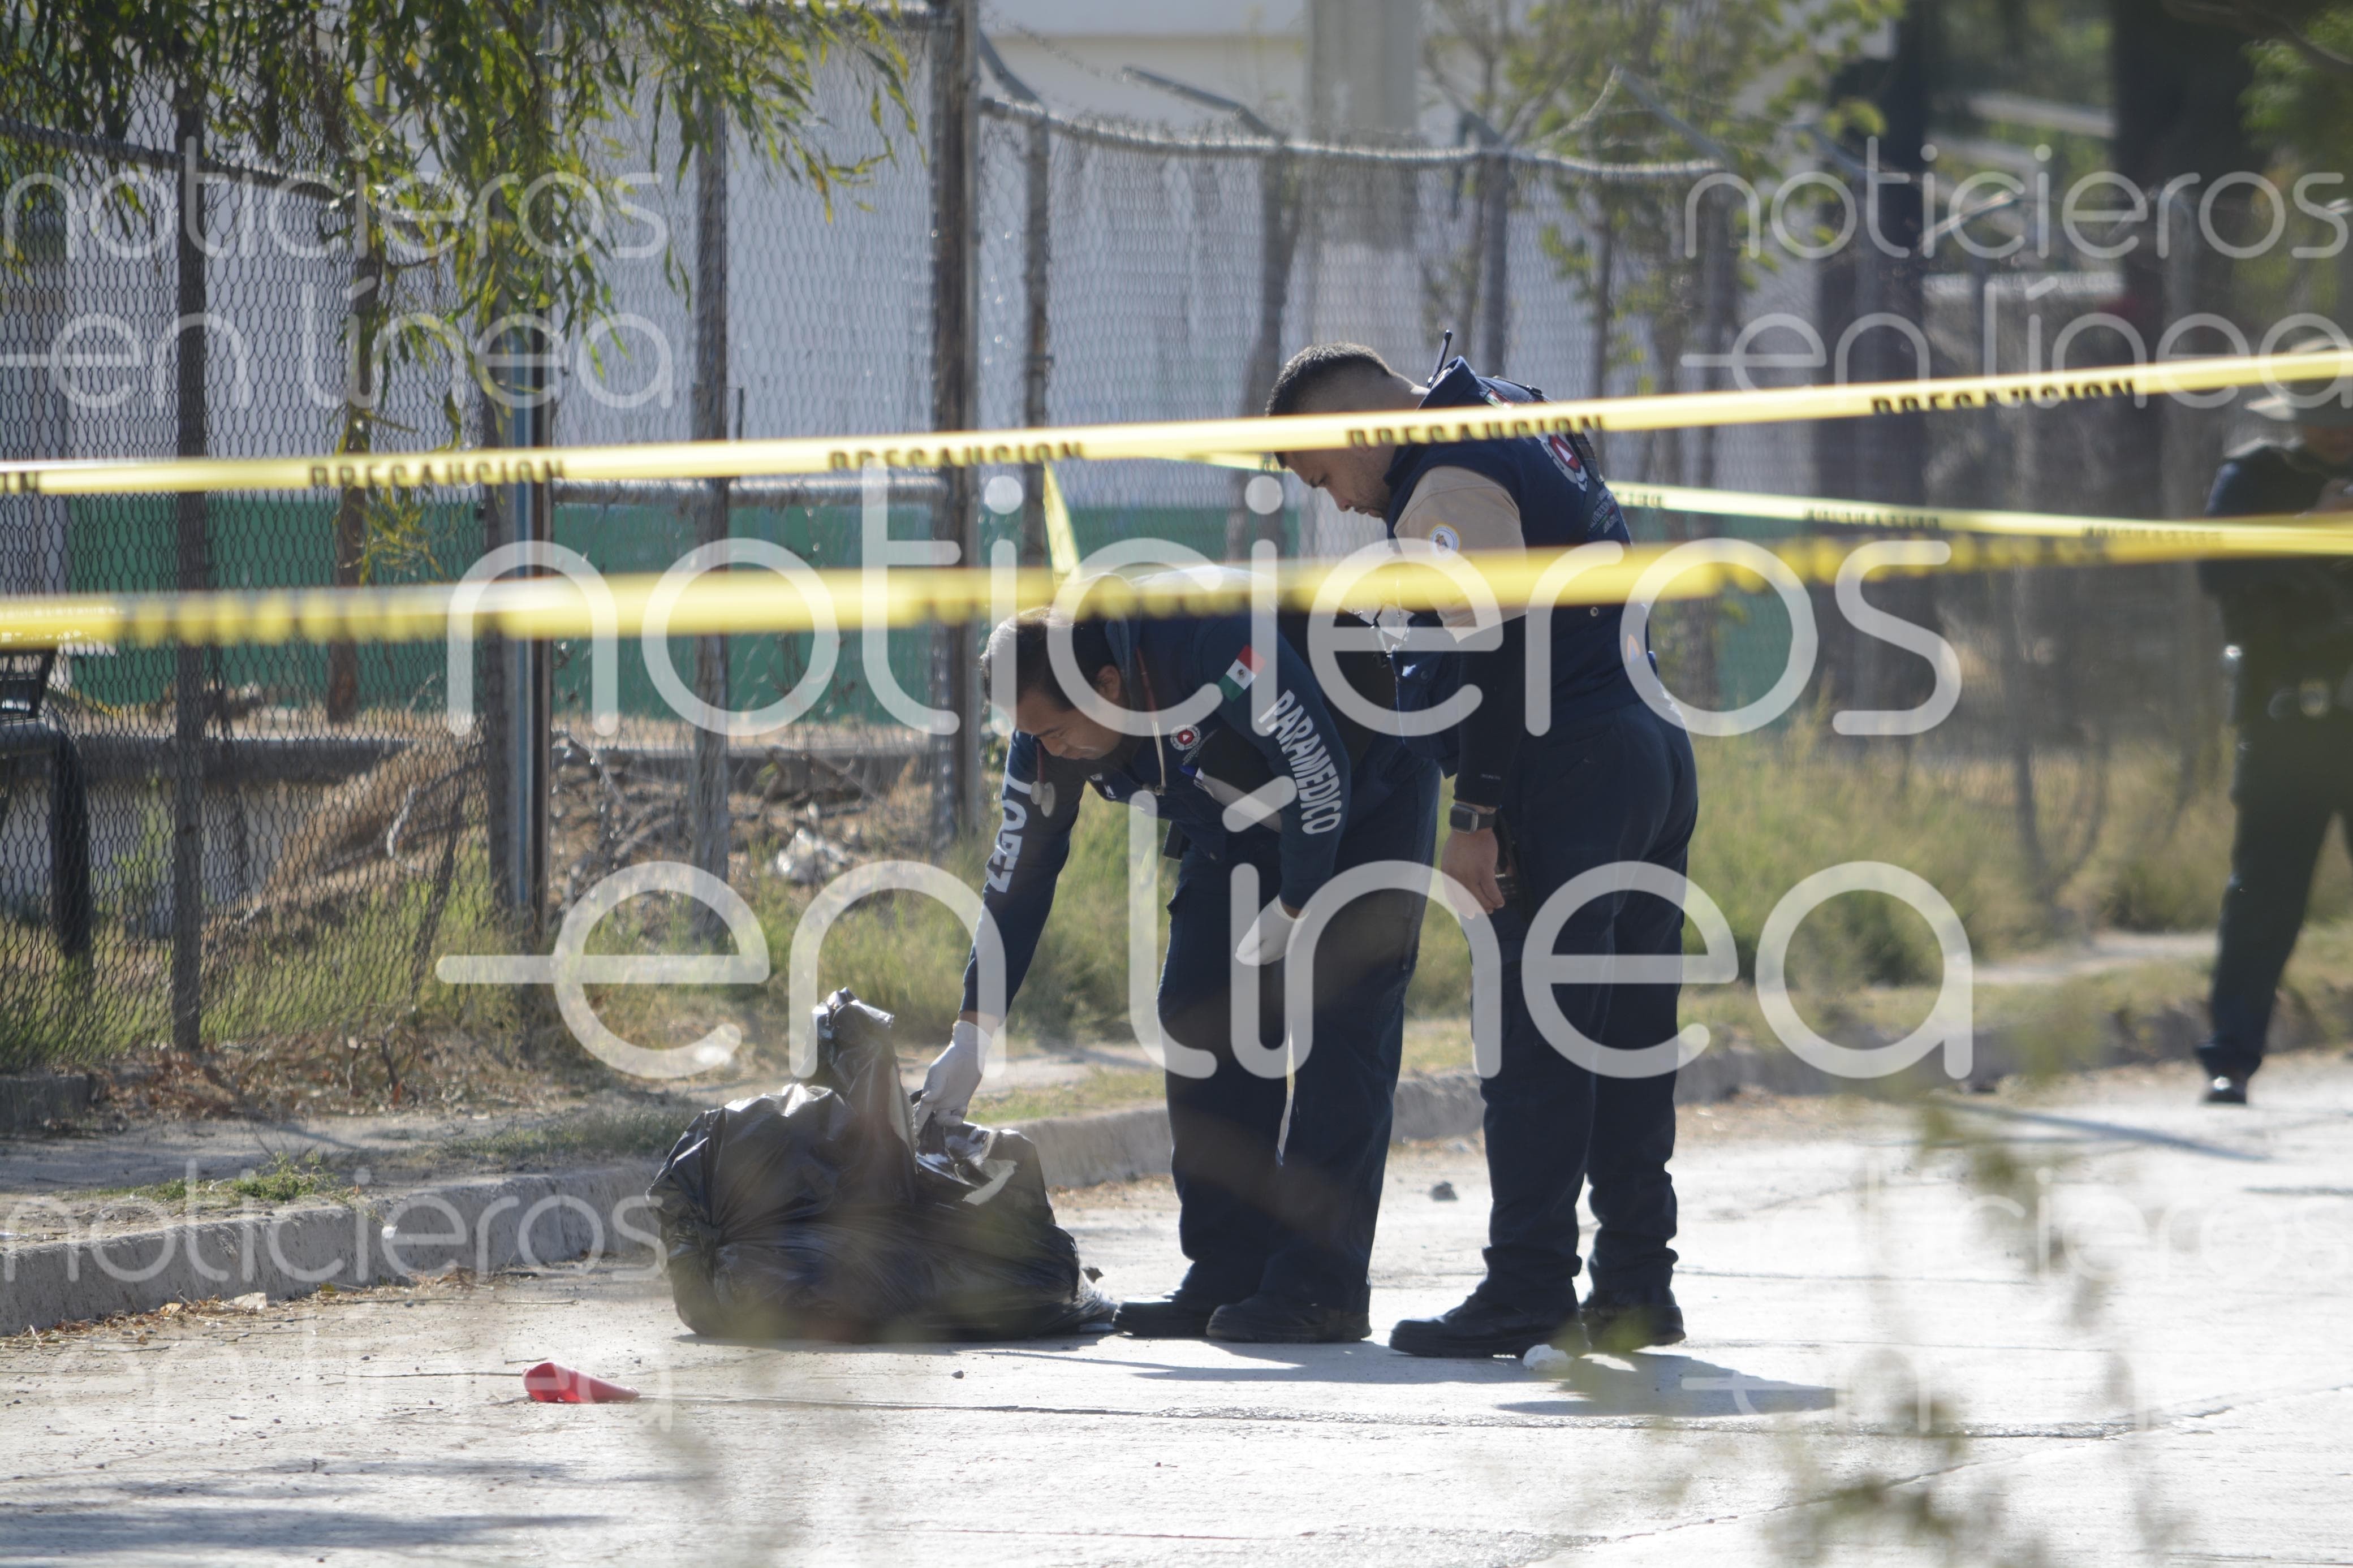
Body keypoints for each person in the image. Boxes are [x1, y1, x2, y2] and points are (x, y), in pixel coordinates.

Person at [1270, 342, 1699, 1358]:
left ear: (1358, 430)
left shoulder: (1445, 479)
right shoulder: (1514, 405)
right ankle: (1638, 1284)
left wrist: (1476, 815)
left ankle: (1529, 1290)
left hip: (1569, 766)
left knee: (1536, 1046)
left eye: (1325, 475)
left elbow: (1496, 645)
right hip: (1651, 748)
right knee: (1629, 1038)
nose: (1337, 505)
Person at [913, 599, 1440, 1342]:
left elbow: (1318, 765)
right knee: (1197, 1011)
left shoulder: (1208, 645)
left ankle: (1320, 1287)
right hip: (1235, 824)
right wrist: (973, 1030)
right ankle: (1229, 1267)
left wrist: (1296, 903)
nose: (1047, 751)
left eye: (1054, 731)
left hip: (1364, 797)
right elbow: (1019, 877)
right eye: (1030, 737)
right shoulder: (1048, 736)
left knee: (1339, 1032)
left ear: (1109, 683)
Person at [2195, 345, 2353, 1105]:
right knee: (2264, 896)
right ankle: (2232, 1054)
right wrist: (2306, 528)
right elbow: (2216, 572)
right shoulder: (2255, 479)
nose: (2337, 433)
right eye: (2322, 419)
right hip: (2288, 723)